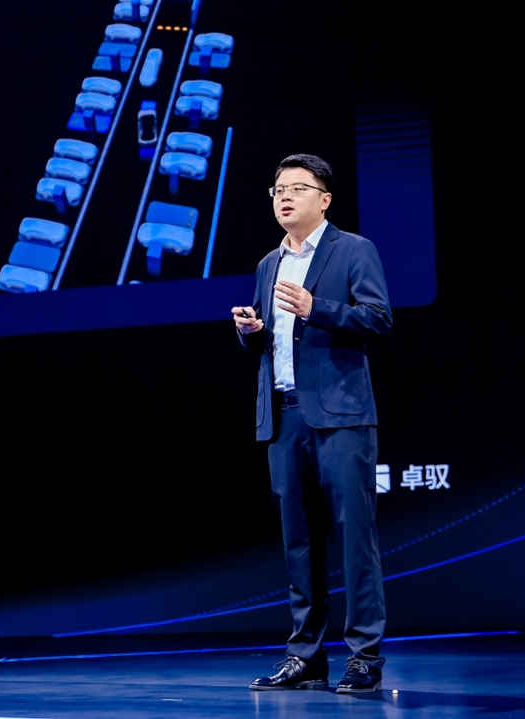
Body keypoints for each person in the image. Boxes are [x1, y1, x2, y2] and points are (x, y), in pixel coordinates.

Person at [232, 153, 392, 694]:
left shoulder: (353, 250)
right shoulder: (268, 263)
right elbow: (271, 343)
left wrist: (314, 306)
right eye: (278, 189)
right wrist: (252, 332)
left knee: (354, 538)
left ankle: (364, 656)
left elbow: (378, 318)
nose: (284, 196)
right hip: (284, 417)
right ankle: (305, 655)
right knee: (297, 541)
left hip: (341, 415)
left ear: (324, 199)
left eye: (297, 188)